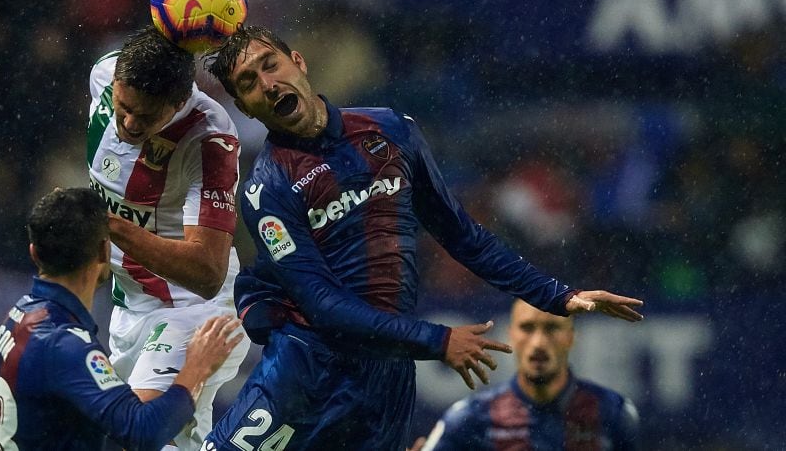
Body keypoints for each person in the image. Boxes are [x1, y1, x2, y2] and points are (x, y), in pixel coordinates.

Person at [200, 25, 644, 450]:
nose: (269, 83)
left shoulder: (391, 130)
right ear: (245, 106)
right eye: (249, 82)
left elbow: (462, 235)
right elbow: (323, 306)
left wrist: (557, 296)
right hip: (306, 373)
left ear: (298, 62)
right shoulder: (267, 191)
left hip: (387, 381)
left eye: (270, 65)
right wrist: (438, 340)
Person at [85, 26, 250, 449]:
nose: (128, 123)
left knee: (140, 433)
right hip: (128, 309)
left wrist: (110, 224)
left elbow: (207, 271)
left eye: (146, 116)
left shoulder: (209, 138)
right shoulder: (104, 73)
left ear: (178, 103)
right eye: (123, 107)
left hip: (195, 310)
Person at [0, 187, 243, 450]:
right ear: (104, 252)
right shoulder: (65, 344)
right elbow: (143, 432)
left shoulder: (17, 316)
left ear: (34, 253)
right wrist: (196, 368)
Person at [411, 299, 640, 450]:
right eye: (528, 328)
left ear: (571, 337)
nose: (538, 342)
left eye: (551, 328)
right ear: (511, 335)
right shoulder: (470, 418)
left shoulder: (613, 412)